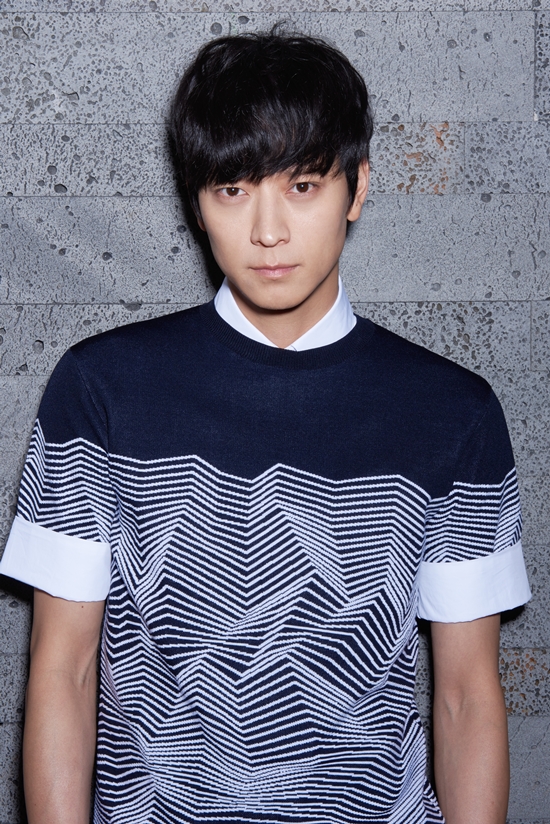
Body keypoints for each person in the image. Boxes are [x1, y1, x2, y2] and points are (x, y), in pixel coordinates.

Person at [0, 29, 531, 824]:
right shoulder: (101, 388)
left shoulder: (453, 410)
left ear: (357, 188)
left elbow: (465, 696)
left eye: (303, 185)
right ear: (197, 201)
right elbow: (63, 670)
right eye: (233, 189)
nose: (268, 231)